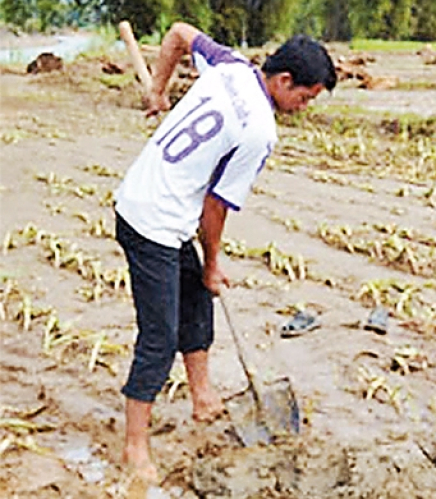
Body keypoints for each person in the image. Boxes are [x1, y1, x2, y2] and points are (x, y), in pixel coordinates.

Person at [113, 22, 336, 482]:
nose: (304, 107)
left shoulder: (231, 65)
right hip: (149, 220)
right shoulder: (260, 132)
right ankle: (135, 448)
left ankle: (203, 397)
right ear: (284, 82)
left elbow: (177, 34)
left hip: (162, 209)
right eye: (306, 97)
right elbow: (214, 210)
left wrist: (158, 89)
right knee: (159, 337)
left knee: (196, 301)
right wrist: (213, 264)